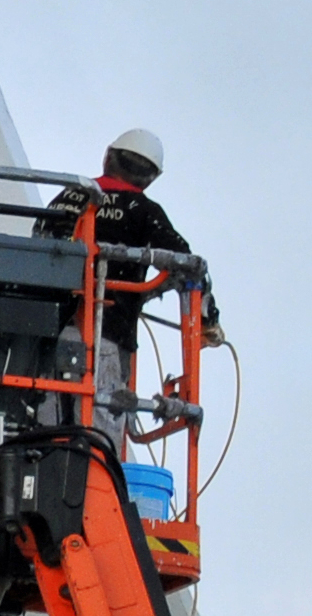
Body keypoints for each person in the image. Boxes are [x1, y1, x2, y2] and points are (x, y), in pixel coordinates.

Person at [73, 125, 220, 468]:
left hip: (40, 335)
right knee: (100, 430)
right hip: (105, 338)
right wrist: (208, 323)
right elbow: (188, 264)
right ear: (151, 178)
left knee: (49, 416)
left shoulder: (70, 197)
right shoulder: (143, 211)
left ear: (108, 157)